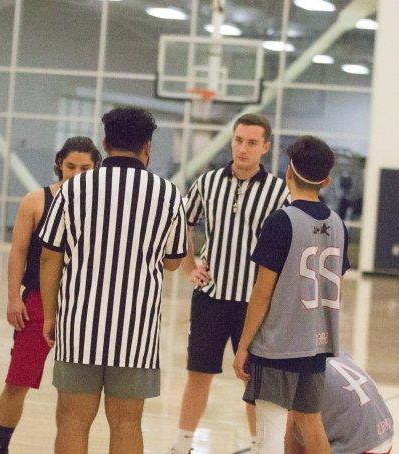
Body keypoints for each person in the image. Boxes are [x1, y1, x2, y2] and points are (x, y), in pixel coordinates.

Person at [38, 107, 187, 454]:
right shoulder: (168, 195)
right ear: (147, 147)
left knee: (73, 420)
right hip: (136, 331)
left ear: (105, 143)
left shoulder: (73, 190)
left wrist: (49, 314)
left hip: (78, 325)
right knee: (127, 423)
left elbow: (49, 255)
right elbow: (174, 261)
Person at [171, 114, 289, 453]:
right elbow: (182, 222)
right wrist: (189, 267)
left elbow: (289, 243)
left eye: (252, 142)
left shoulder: (279, 192)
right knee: (198, 375)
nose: (243, 148)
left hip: (255, 304)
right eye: (238, 140)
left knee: (253, 381)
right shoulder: (208, 182)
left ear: (265, 147)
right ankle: (182, 444)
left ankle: (259, 445)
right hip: (210, 298)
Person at [232, 135, 349, 454]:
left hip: (278, 346)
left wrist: (244, 345)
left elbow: (262, 292)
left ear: (287, 172)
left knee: (269, 433)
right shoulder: (339, 225)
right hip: (317, 345)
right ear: (325, 180)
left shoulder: (281, 221)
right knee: (311, 425)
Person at [0, 137, 102, 454]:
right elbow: (18, 252)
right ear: (59, 164)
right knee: (18, 380)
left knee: (71, 389)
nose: (76, 173)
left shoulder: (100, 205)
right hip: (38, 300)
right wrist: (14, 298)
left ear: (96, 169)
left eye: (85, 168)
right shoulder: (36, 200)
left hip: (81, 306)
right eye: (70, 167)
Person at [281, 353, 395, 454]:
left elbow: (296, 433)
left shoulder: (295, 371)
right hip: (384, 437)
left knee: (297, 425)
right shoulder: (336, 352)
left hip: (360, 447)